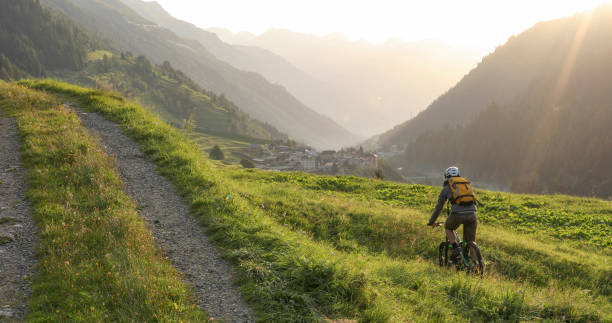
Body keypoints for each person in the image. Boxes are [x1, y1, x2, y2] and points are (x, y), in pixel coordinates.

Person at [427, 166, 478, 262]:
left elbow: (439, 207)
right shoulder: (466, 184)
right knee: (471, 242)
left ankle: (455, 247)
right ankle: (476, 265)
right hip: (472, 214)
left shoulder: (446, 188)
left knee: (448, 227)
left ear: (446, 176)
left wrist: (431, 221)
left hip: (457, 214)